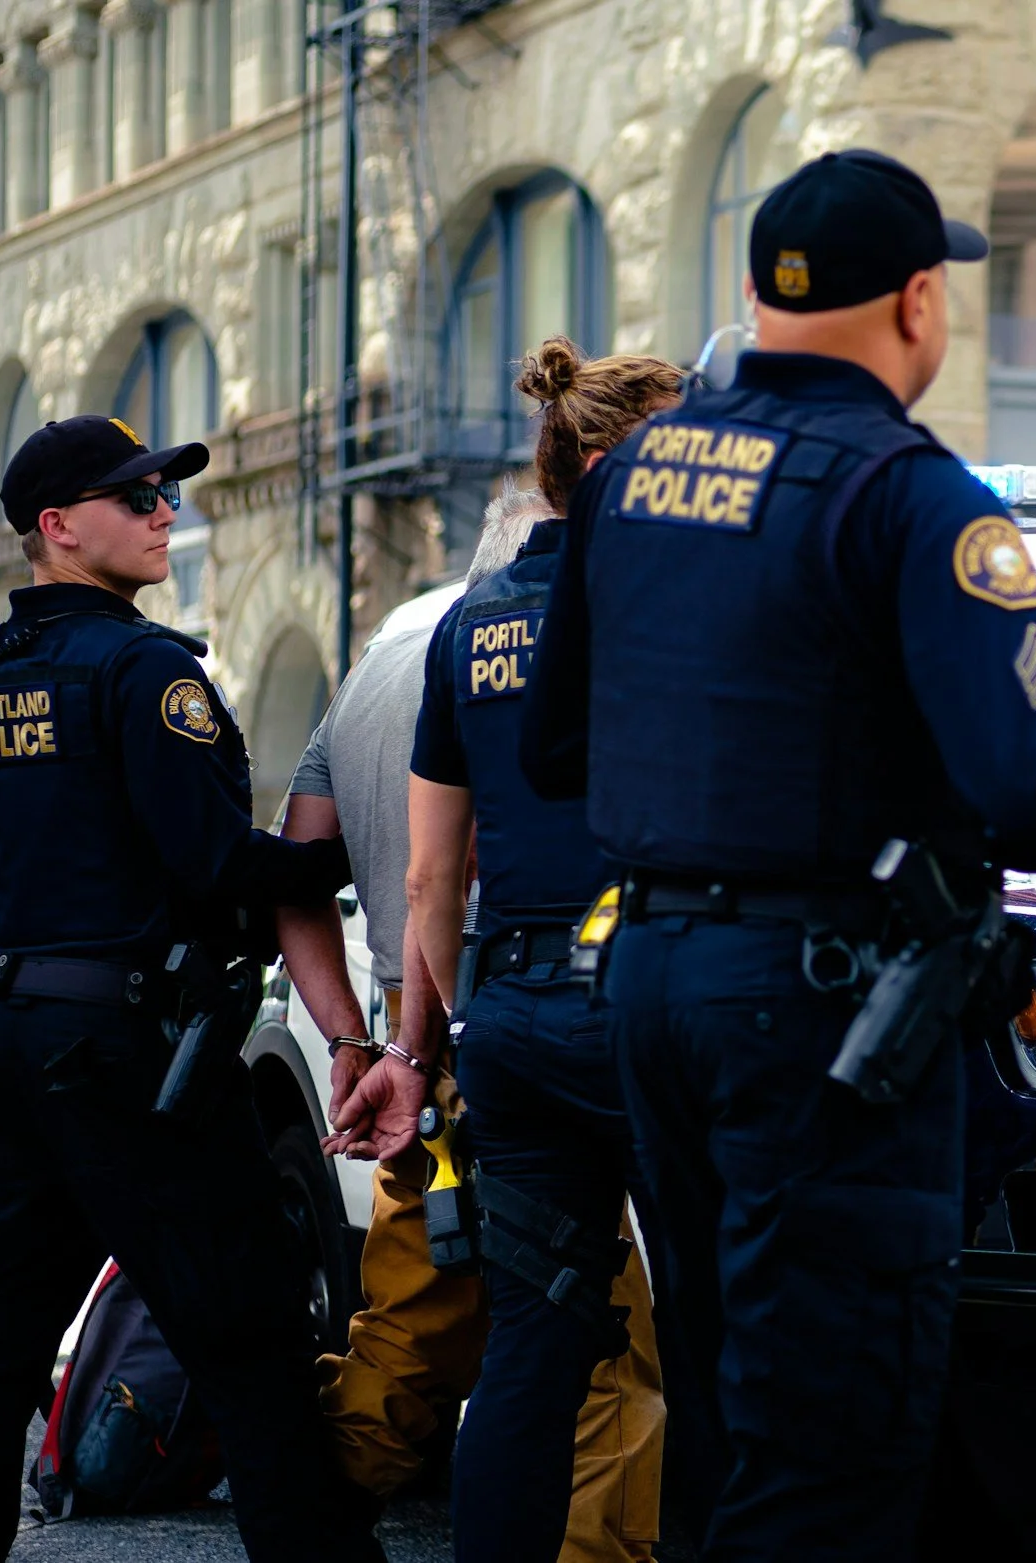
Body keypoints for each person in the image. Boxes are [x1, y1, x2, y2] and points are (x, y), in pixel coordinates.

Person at [520, 149, 1036, 1557]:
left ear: (758, 296)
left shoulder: (636, 472)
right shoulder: (917, 494)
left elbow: (552, 751)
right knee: (838, 1433)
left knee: (726, 1400)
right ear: (915, 303)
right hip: (830, 1005)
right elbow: (1030, 787)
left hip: (655, 978)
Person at [0, 415, 379, 1563]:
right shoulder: (147, 669)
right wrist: (355, 850)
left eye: (166, 492)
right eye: (138, 496)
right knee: (252, 1343)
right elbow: (215, 866)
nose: (168, 512)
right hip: (135, 1063)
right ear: (58, 529)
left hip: (16, 1044)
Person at [278, 474, 667, 1563]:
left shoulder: (380, 665)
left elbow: (296, 867)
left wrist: (361, 1038)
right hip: (512, 1008)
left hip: (424, 1035)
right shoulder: (550, 651)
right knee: (601, 1349)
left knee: (414, 1311)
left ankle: (304, 1499)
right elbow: (460, 874)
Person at [409, 340, 685, 1563]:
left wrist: (433, 1041)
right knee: (714, 1329)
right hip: (662, 1003)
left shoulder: (469, 625)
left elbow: (430, 874)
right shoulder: (674, 606)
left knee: (532, 1338)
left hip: (512, 1011)